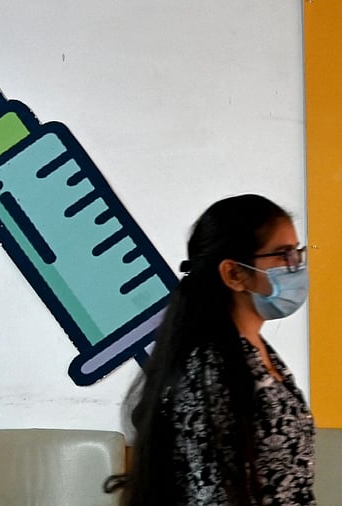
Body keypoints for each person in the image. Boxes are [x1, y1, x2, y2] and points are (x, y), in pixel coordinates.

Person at [106, 194, 314, 505]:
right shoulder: (211, 369)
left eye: (297, 253)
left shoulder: (254, 349)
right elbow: (214, 494)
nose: (295, 266)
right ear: (233, 273)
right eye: (282, 255)